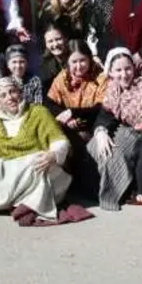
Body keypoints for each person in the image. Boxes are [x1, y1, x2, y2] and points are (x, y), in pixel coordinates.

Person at [0, 76, 74, 222]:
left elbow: (59, 140)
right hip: (12, 170)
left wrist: (53, 154)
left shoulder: (38, 112)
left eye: (13, 92)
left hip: (32, 169)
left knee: (35, 161)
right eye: (3, 95)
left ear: (20, 93)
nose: (10, 98)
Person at [90, 48, 142, 210]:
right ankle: (99, 190)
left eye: (127, 69)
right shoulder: (113, 89)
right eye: (118, 70)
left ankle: (125, 190)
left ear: (134, 68)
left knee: (114, 154)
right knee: (96, 146)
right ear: (110, 72)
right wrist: (101, 132)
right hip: (129, 128)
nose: (124, 74)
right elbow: (105, 117)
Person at [46, 40, 107, 200]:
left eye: (83, 60)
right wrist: (66, 117)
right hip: (68, 126)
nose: (79, 66)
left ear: (89, 59)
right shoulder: (62, 77)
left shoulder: (100, 77)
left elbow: (101, 108)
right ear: (68, 62)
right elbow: (50, 103)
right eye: (74, 61)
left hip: (93, 125)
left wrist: (73, 113)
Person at [3, 44, 43, 109]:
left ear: (27, 63)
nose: (18, 66)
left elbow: (38, 104)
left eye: (22, 62)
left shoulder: (35, 81)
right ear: (8, 65)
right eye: (14, 62)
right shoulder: (4, 83)